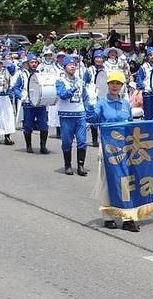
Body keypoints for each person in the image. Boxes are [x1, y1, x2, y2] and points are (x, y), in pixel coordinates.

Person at [94, 71, 137, 232]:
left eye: (118, 83)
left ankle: (127, 217)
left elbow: (131, 124)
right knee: (108, 182)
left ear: (122, 86)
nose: (114, 86)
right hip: (107, 149)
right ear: (108, 84)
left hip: (125, 149)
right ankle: (108, 216)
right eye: (112, 83)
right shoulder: (101, 103)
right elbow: (93, 119)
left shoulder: (125, 104)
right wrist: (88, 106)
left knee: (127, 181)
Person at [56, 55, 90, 176]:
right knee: (67, 141)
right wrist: (73, 89)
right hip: (66, 115)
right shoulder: (60, 81)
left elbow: (85, 97)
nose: (73, 67)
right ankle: (68, 165)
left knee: (82, 141)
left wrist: (89, 112)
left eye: (74, 65)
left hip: (80, 114)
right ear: (64, 67)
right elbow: (62, 95)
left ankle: (80, 166)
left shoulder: (80, 81)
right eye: (70, 65)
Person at [12, 55, 50, 155]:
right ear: (28, 63)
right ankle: (28, 145)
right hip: (28, 103)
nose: (34, 64)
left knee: (43, 125)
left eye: (35, 62)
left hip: (40, 103)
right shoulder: (22, 75)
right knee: (28, 125)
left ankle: (43, 146)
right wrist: (21, 96)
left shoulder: (41, 74)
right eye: (32, 62)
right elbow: (16, 88)